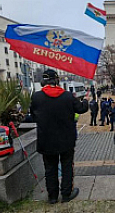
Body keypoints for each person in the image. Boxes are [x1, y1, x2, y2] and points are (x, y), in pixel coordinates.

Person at [31, 69, 88, 204]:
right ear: (57, 80)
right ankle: (66, 194)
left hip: (46, 140)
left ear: (43, 82)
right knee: (67, 166)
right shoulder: (67, 96)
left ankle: (52, 196)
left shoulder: (36, 97)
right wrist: (85, 100)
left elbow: (33, 116)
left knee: (50, 169)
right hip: (66, 140)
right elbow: (81, 109)